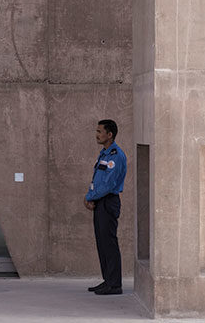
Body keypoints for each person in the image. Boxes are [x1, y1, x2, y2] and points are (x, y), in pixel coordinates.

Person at [84, 119, 127, 295]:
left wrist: (89, 197)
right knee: (102, 243)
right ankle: (107, 280)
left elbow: (108, 185)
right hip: (100, 201)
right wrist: (91, 196)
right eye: (96, 131)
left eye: (100, 131)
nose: (97, 134)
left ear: (110, 135)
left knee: (109, 243)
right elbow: (98, 179)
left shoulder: (116, 155)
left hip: (108, 201)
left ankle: (115, 284)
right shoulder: (104, 154)